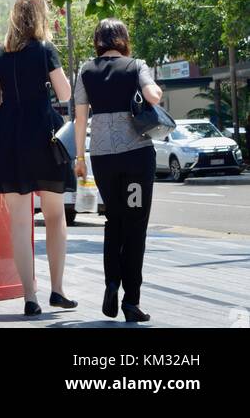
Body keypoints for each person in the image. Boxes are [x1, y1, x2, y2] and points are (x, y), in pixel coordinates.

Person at [0, 0, 77, 316]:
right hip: (44, 134)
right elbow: (64, 93)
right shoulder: (45, 50)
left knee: (20, 222)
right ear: (40, 17)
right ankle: (58, 290)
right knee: (54, 215)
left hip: (8, 136)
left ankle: (29, 296)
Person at [74, 18, 163, 323]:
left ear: (98, 40)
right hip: (136, 156)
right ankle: (131, 301)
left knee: (114, 220)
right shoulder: (136, 65)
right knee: (135, 225)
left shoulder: (85, 71)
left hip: (102, 158)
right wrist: (150, 87)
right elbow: (153, 96)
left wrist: (80, 158)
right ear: (123, 39)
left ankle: (111, 281)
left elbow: (80, 118)